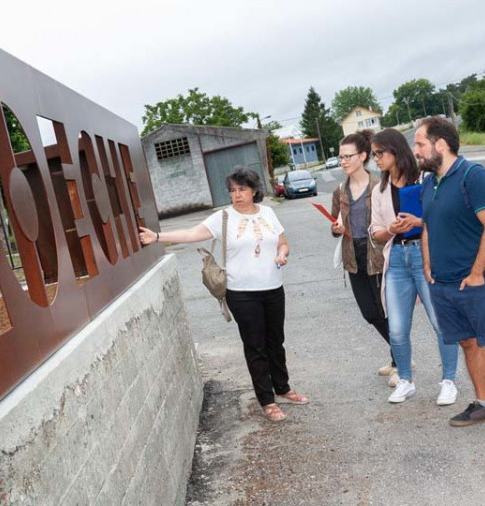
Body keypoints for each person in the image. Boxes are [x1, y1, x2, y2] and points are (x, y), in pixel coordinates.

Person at [138, 168, 308, 422]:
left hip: (273, 287)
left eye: (242, 190)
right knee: (255, 346)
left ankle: (282, 388)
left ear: (254, 191)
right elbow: (192, 234)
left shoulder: (269, 213)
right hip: (242, 293)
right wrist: (158, 236)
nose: (236, 195)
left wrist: (283, 253)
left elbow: (283, 242)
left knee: (276, 341)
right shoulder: (223, 218)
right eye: (232, 190)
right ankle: (267, 400)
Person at [415, 116, 485, 438]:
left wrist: (478, 272)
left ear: (441, 144)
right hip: (443, 283)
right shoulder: (429, 182)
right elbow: (427, 224)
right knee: (468, 342)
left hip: (478, 282)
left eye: (420, 143)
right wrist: (427, 264)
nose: (416, 151)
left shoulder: (472, 176)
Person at [369, 128, 459, 404]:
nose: (377, 160)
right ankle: (405, 380)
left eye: (379, 154)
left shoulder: (426, 179)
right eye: (373, 156)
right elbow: (375, 233)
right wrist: (392, 229)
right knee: (396, 328)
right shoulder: (379, 189)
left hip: (425, 254)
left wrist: (418, 223)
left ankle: (449, 381)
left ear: (395, 150)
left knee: (440, 322)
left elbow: (442, 216)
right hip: (396, 257)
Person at [330, 130, 394, 383]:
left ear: (363, 156)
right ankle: (399, 353)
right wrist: (336, 229)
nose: (343, 161)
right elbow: (336, 225)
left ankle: (400, 361)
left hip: (377, 253)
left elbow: (389, 223)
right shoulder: (339, 191)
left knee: (385, 310)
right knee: (369, 312)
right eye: (340, 157)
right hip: (352, 254)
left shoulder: (380, 185)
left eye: (348, 156)